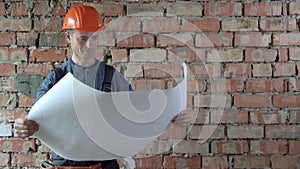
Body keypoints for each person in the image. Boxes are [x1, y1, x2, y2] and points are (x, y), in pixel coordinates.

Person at [14, 5, 192, 169]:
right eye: (83, 38)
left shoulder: (111, 76)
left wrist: (171, 118)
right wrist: (24, 126)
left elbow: (138, 116)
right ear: (68, 37)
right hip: (66, 165)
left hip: (104, 164)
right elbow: (35, 120)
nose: (90, 45)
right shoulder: (56, 79)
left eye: (95, 38)